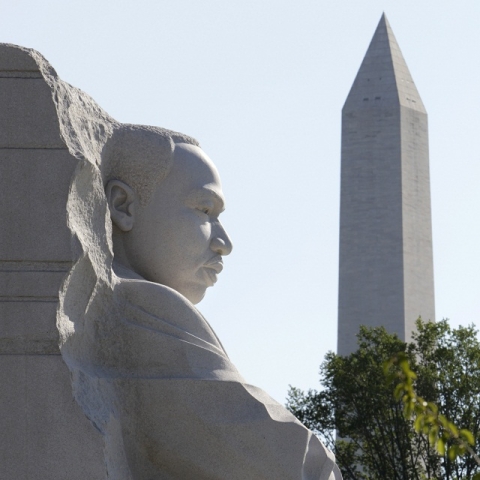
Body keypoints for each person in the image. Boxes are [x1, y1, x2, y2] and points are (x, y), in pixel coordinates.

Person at [64, 124, 342, 479]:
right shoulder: (144, 302)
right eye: (204, 210)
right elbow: (276, 458)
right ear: (123, 206)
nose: (224, 242)